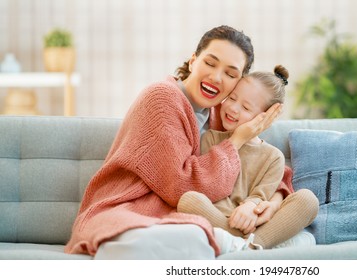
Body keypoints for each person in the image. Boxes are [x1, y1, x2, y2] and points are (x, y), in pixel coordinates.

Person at [64, 25, 287, 259]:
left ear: (238, 84)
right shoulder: (162, 98)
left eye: (231, 74)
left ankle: (233, 242)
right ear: (193, 61)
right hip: (129, 208)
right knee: (181, 239)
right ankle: (236, 243)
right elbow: (181, 186)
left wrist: (267, 204)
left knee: (190, 237)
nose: (216, 77)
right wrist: (236, 141)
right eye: (210, 63)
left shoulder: (222, 113)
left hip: (177, 219)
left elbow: (268, 167)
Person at [178, 65, 319, 253]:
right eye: (232, 98)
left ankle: (250, 243)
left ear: (266, 117)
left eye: (245, 107)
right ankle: (250, 245)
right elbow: (208, 182)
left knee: (308, 199)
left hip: (255, 221)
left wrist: (251, 207)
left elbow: (262, 195)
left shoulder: (273, 157)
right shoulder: (211, 138)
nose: (233, 108)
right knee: (189, 200)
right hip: (220, 216)